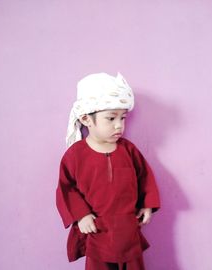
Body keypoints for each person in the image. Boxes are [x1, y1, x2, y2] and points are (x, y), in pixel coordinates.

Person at [56, 72, 160, 270]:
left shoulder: (128, 150)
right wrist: (82, 215)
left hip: (128, 229)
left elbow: (144, 177)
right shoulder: (75, 155)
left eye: (123, 118)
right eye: (111, 118)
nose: (119, 125)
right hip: (97, 231)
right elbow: (66, 188)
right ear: (86, 119)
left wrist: (147, 205)